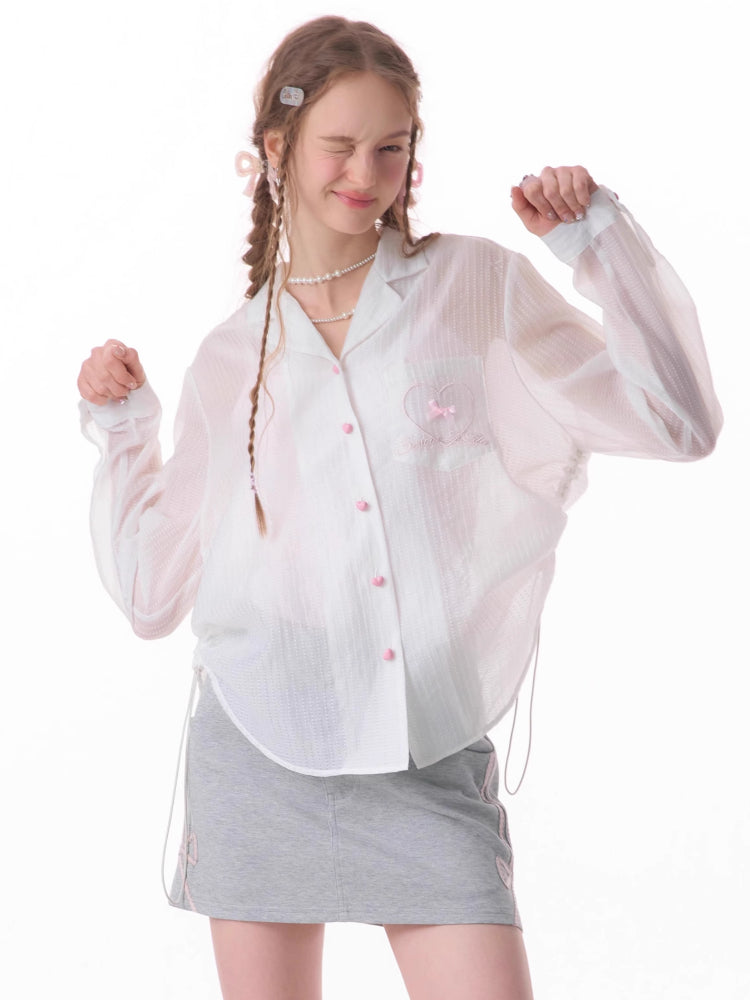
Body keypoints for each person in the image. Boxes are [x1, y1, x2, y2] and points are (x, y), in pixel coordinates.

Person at [76, 15, 722, 1000]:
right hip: (259, 753)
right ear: (276, 148)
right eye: (339, 146)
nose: (366, 174)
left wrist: (597, 242)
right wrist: (125, 430)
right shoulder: (230, 357)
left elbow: (678, 420)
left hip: (427, 751)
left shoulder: (474, 287)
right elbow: (149, 596)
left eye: (391, 147)